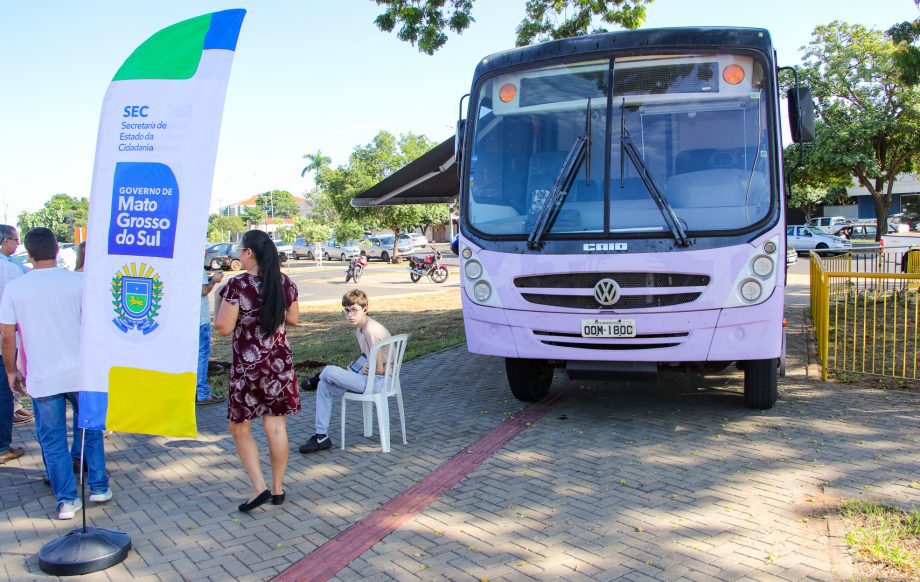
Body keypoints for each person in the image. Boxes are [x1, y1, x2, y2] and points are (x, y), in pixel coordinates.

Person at [0, 227, 110, 520]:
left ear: (29, 253)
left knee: (53, 441)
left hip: (43, 376)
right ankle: (99, 486)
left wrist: (11, 371)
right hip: (82, 373)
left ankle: (66, 500)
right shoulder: (80, 282)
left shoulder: (16, 288)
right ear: (58, 250)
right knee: (91, 430)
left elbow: (7, 336)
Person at [215, 230, 299, 512]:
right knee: (276, 426)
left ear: (249, 253)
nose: (238, 254)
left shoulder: (237, 285)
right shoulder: (285, 282)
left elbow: (224, 327)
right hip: (279, 364)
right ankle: (277, 489)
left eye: (240, 249)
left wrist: (218, 299)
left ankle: (258, 487)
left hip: (249, 367)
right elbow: (294, 319)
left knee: (239, 426)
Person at [299, 289, 390, 454]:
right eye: (347, 311)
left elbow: (379, 370)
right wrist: (357, 367)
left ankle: (315, 379)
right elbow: (368, 358)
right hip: (370, 378)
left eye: (354, 310)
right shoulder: (360, 329)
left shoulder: (370, 331)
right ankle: (321, 437)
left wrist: (366, 369)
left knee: (328, 371)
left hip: (380, 381)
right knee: (324, 387)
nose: (350, 315)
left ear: (365, 309)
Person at [0, 224, 25, 463]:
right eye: (15, 240)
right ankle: (2, 446)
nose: (18, 245)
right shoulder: (10, 270)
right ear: (4, 241)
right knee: (4, 392)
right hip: (5, 339)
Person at [197, 268, 225, 405]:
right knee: (202, 355)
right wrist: (214, 280)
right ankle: (202, 393)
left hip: (186, 320)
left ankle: (193, 391)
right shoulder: (196, 266)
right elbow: (203, 291)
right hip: (200, 319)